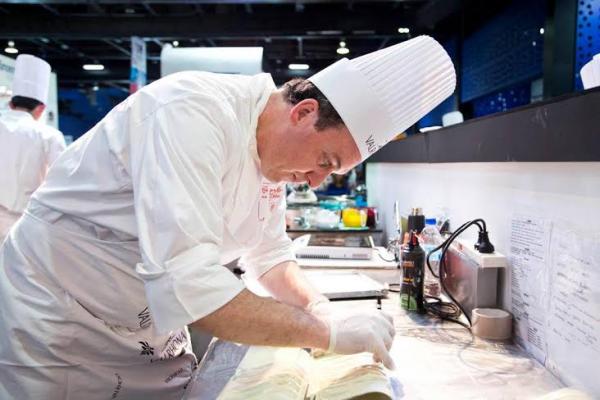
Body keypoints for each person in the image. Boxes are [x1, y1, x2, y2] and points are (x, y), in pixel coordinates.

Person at [0, 36, 455, 399]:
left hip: (143, 325)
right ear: (303, 112)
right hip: (63, 319)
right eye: (325, 160)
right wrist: (328, 333)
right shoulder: (191, 113)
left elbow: (270, 253)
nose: (316, 182)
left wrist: (314, 304)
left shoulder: (275, 154)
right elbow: (190, 283)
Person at [0, 54, 66, 243]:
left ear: (11, 104)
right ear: (41, 108)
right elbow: (61, 180)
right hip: (29, 221)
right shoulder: (49, 135)